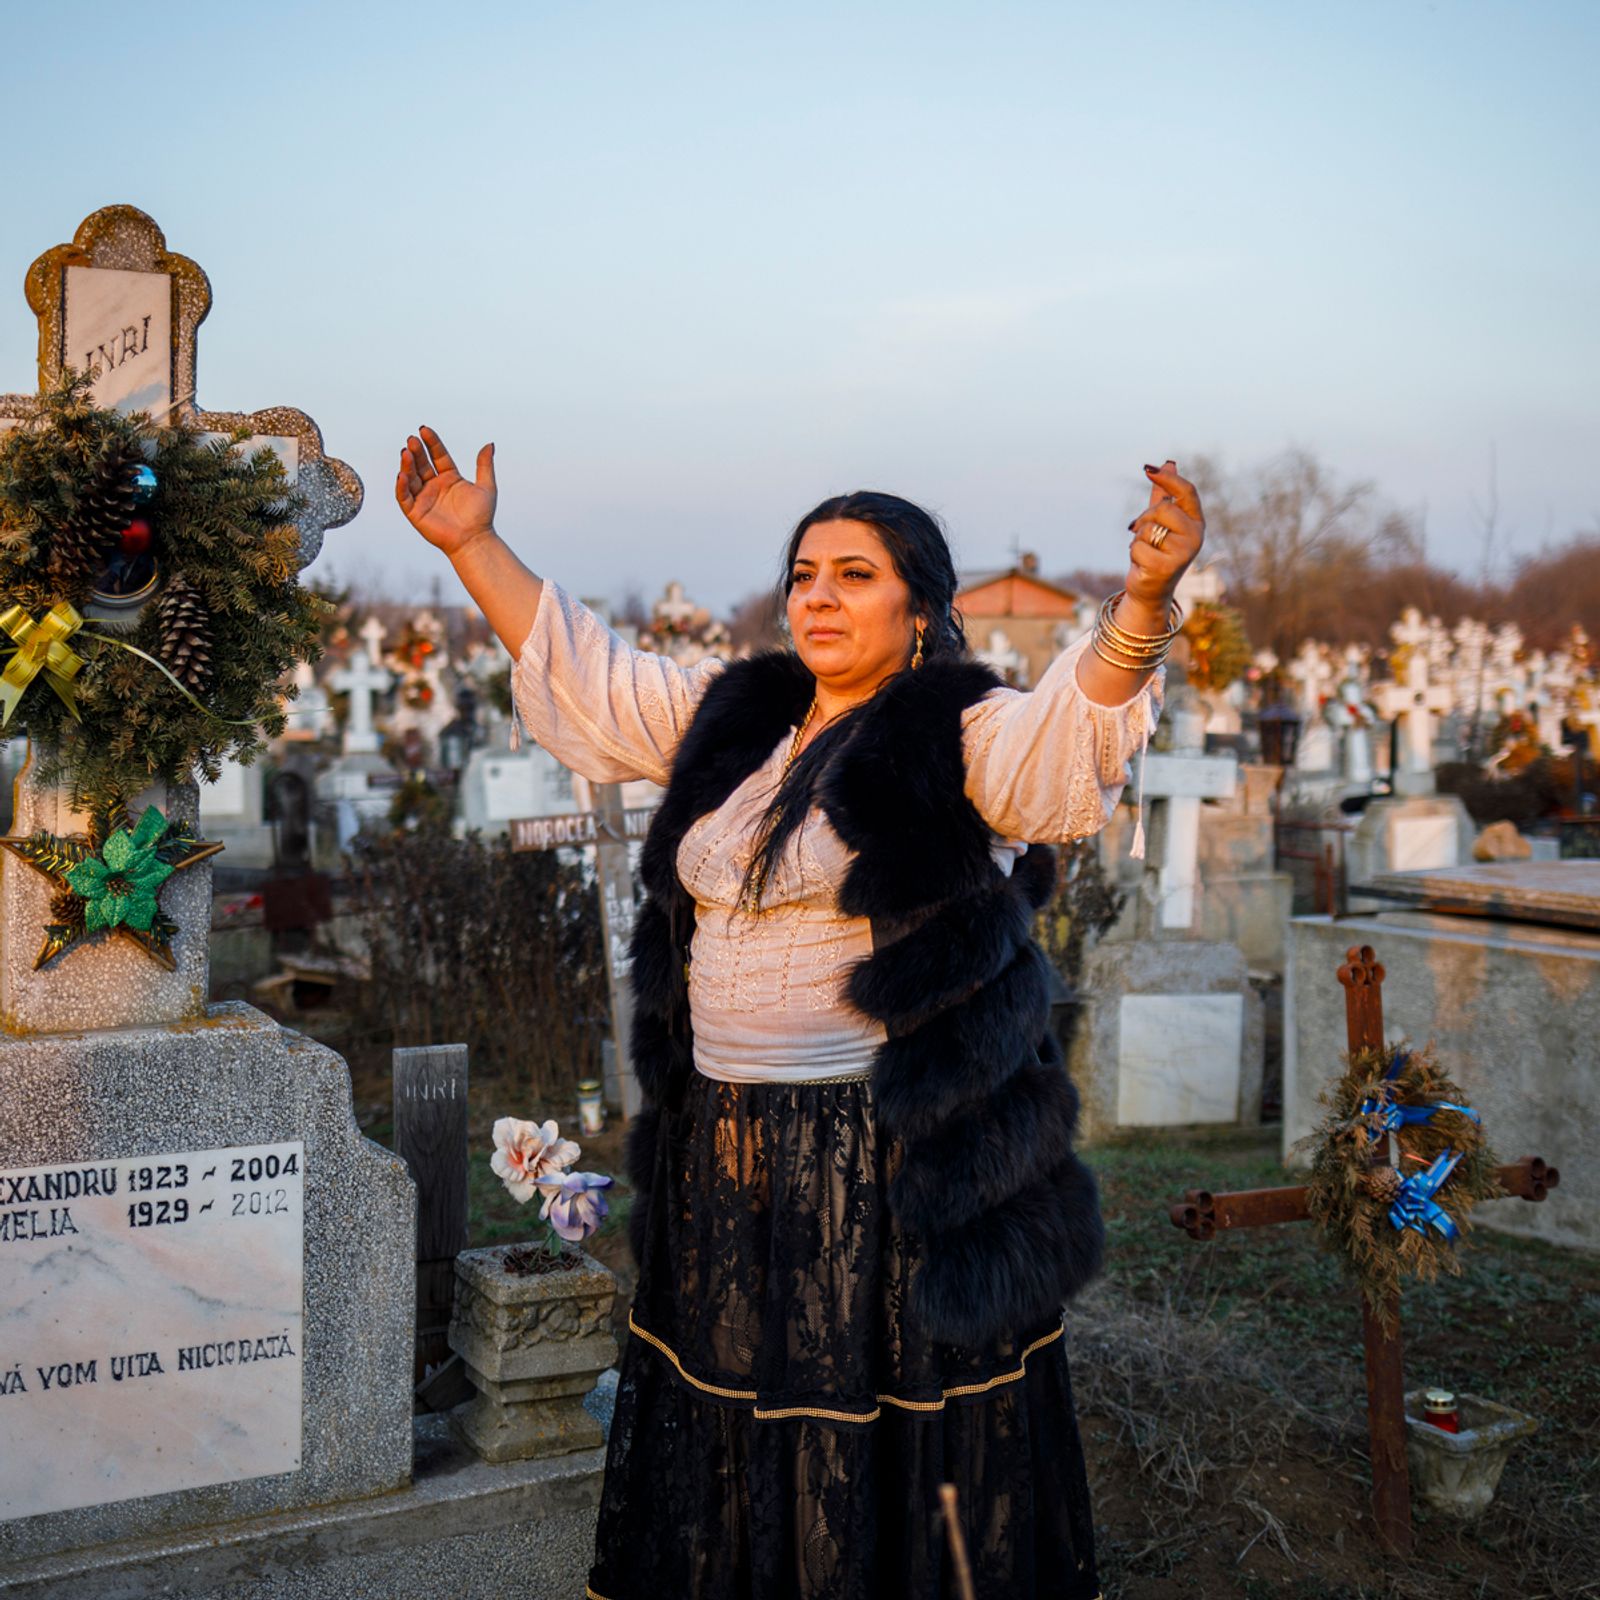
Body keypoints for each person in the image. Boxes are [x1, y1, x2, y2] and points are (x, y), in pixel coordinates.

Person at [396, 431, 1204, 1600]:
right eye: (804, 574)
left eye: (855, 574)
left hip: (876, 1158)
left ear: (921, 608)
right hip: (725, 1142)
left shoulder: (955, 734)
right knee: (734, 1408)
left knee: (866, 1421)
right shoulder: (742, 726)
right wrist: (473, 542)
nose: (819, 596)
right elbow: (590, 670)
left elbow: (1061, 743)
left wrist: (1142, 600)